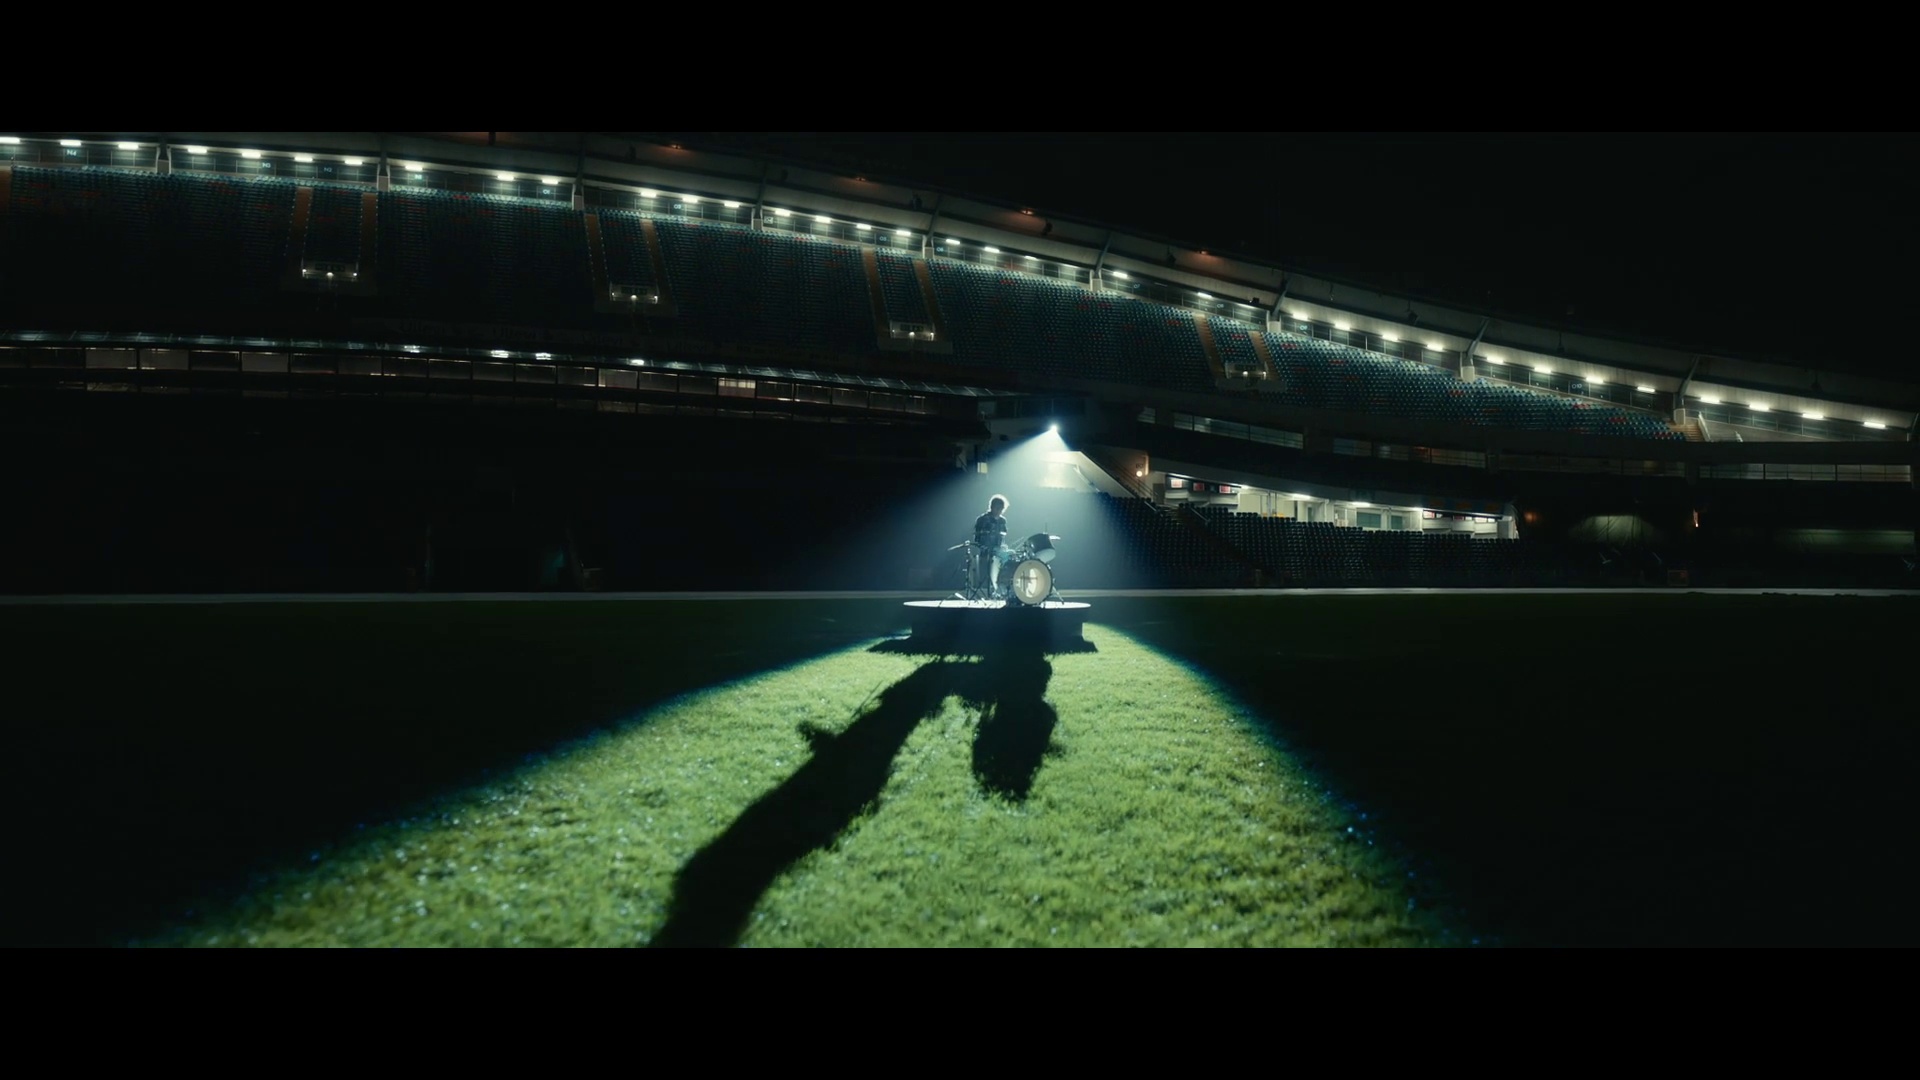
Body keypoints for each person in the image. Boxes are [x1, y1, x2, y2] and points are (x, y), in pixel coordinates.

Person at [972, 494, 1011, 597]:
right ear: (992, 507)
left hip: (999, 550)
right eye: (997, 508)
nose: (999, 511)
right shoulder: (982, 519)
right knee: (988, 572)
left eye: (1001, 509)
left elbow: (1003, 536)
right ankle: (990, 590)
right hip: (986, 550)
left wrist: (1003, 546)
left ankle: (1004, 589)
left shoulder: (1003, 521)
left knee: (1011, 555)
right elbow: (977, 538)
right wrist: (985, 546)